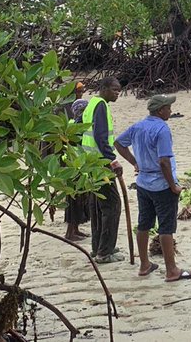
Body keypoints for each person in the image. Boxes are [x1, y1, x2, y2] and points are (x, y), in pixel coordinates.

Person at [115, 93, 191, 281]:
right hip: (160, 185)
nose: (171, 110)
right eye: (168, 107)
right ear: (161, 110)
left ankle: (144, 264)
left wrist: (134, 162)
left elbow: (119, 143)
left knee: (144, 223)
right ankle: (171, 270)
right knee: (166, 228)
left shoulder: (138, 126)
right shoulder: (162, 129)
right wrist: (173, 186)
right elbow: (164, 162)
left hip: (143, 183)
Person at [81, 77, 124, 263]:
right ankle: (105, 252)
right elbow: (100, 136)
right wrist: (112, 160)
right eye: (114, 90)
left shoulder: (92, 104)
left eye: (119, 90)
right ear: (104, 89)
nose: (117, 93)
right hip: (100, 163)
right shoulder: (100, 106)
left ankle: (97, 247)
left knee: (98, 206)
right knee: (112, 206)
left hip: (91, 162)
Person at [64, 82, 91, 242]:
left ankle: (75, 229)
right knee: (74, 200)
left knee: (78, 199)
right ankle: (70, 232)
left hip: (76, 166)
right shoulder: (76, 125)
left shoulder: (76, 122)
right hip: (74, 167)